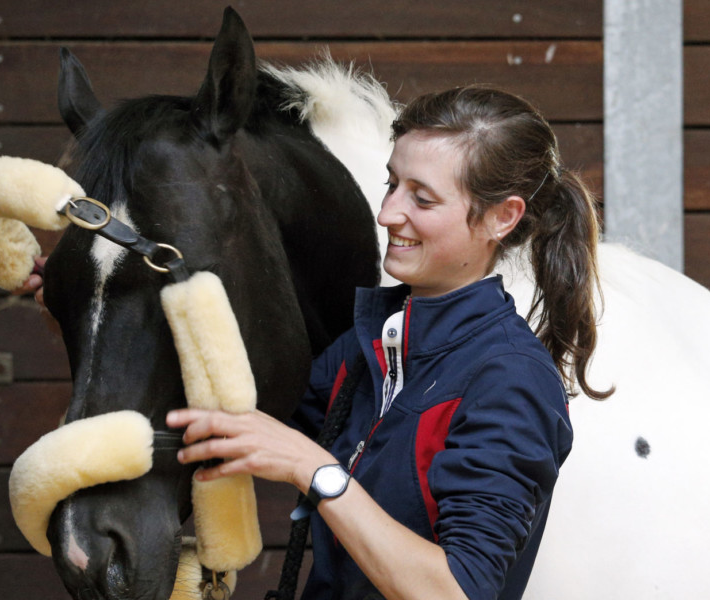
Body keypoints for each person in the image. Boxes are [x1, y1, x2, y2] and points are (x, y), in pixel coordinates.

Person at [165, 85, 610, 600]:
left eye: (422, 198)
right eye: (391, 184)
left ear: (502, 217)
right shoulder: (370, 344)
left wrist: (316, 471)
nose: (388, 213)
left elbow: (455, 592)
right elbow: (238, 419)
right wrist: (74, 293)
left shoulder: (511, 380)